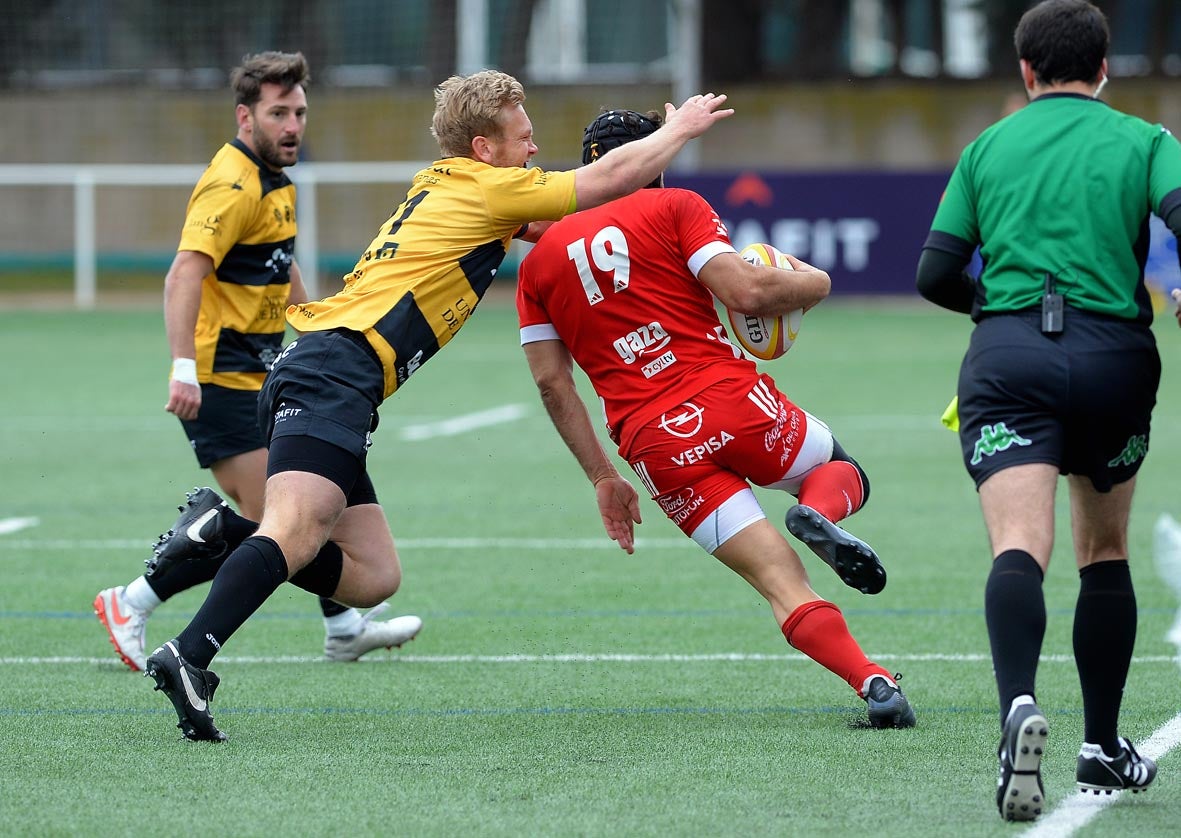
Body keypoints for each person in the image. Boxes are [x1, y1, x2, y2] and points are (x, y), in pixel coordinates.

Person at [141, 70, 734, 742]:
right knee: (298, 530)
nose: (534, 151)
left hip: (331, 371)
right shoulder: (486, 187)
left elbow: (578, 219)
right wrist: (677, 131)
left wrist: (646, 188)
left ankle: (223, 535)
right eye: (524, 138)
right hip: (334, 369)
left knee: (370, 576)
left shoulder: (454, 184)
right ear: (484, 147)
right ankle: (191, 656)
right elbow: (591, 187)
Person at [517, 108, 915, 729]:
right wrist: (817, 283)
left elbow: (550, 381)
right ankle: (821, 512)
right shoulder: (674, 206)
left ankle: (874, 683)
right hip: (731, 400)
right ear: (650, 159)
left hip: (654, 446)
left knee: (781, 583)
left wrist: (602, 477)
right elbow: (748, 294)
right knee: (842, 469)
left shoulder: (538, 265)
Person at [915, 0, 1177, 821]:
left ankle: (1016, 711)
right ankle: (1100, 744)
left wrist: (999, 312)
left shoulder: (986, 146)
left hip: (1008, 359)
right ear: (1105, 68)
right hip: (1114, 360)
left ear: (1024, 72)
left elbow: (934, 271)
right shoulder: (1147, 141)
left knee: (1018, 545)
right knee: (1101, 549)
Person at [93, 51, 422, 674]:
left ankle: (344, 625)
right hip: (222, 382)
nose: (293, 124)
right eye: (278, 113)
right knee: (278, 522)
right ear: (246, 118)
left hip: (266, 377)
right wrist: (182, 366)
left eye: (299, 111)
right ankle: (130, 602)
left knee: (301, 513)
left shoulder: (278, 181)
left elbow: (282, 267)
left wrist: (317, 326)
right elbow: (183, 274)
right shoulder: (232, 183)